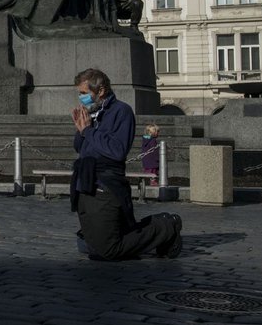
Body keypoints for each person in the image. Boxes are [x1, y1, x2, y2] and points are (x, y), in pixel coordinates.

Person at [69, 68, 182, 260]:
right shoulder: (92, 113)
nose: (81, 98)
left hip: (105, 184)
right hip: (85, 182)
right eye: (79, 93)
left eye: (84, 93)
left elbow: (117, 150)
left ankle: (166, 227)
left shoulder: (122, 111)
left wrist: (88, 131)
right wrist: (80, 130)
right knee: (91, 246)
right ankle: (154, 232)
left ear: (101, 90)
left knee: (108, 249)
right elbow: (81, 148)